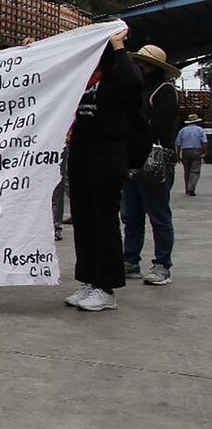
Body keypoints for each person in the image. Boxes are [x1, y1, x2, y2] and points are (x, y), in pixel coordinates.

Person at [65, 30, 143, 311]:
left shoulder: (120, 75)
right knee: (83, 218)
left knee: (104, 219)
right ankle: (89, 279)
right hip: (82, 151)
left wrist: (118, 46)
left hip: (108, 153)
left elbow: (134, 82)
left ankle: (107, 288)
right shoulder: (86, 76)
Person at [121, 45, 180, 286]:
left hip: (154, 160)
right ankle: (130, 259)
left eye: (144, 64)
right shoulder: (135, 89)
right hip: (132, 158)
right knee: (131, 215)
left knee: (159, 216)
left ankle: (162, 264)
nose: (140, 67)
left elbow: (161, 125)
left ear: (154, 67)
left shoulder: (165, 91)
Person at [176, 114, 206, 196]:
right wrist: (203, 152)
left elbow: (178, 143)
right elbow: (204, 142)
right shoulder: (200, 130)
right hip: (196, 151)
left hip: (185, 151)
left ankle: (187, 188)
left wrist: (178, 155)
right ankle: (191, 188)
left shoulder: (182, 130)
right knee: (195, 171)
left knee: (187, 171)